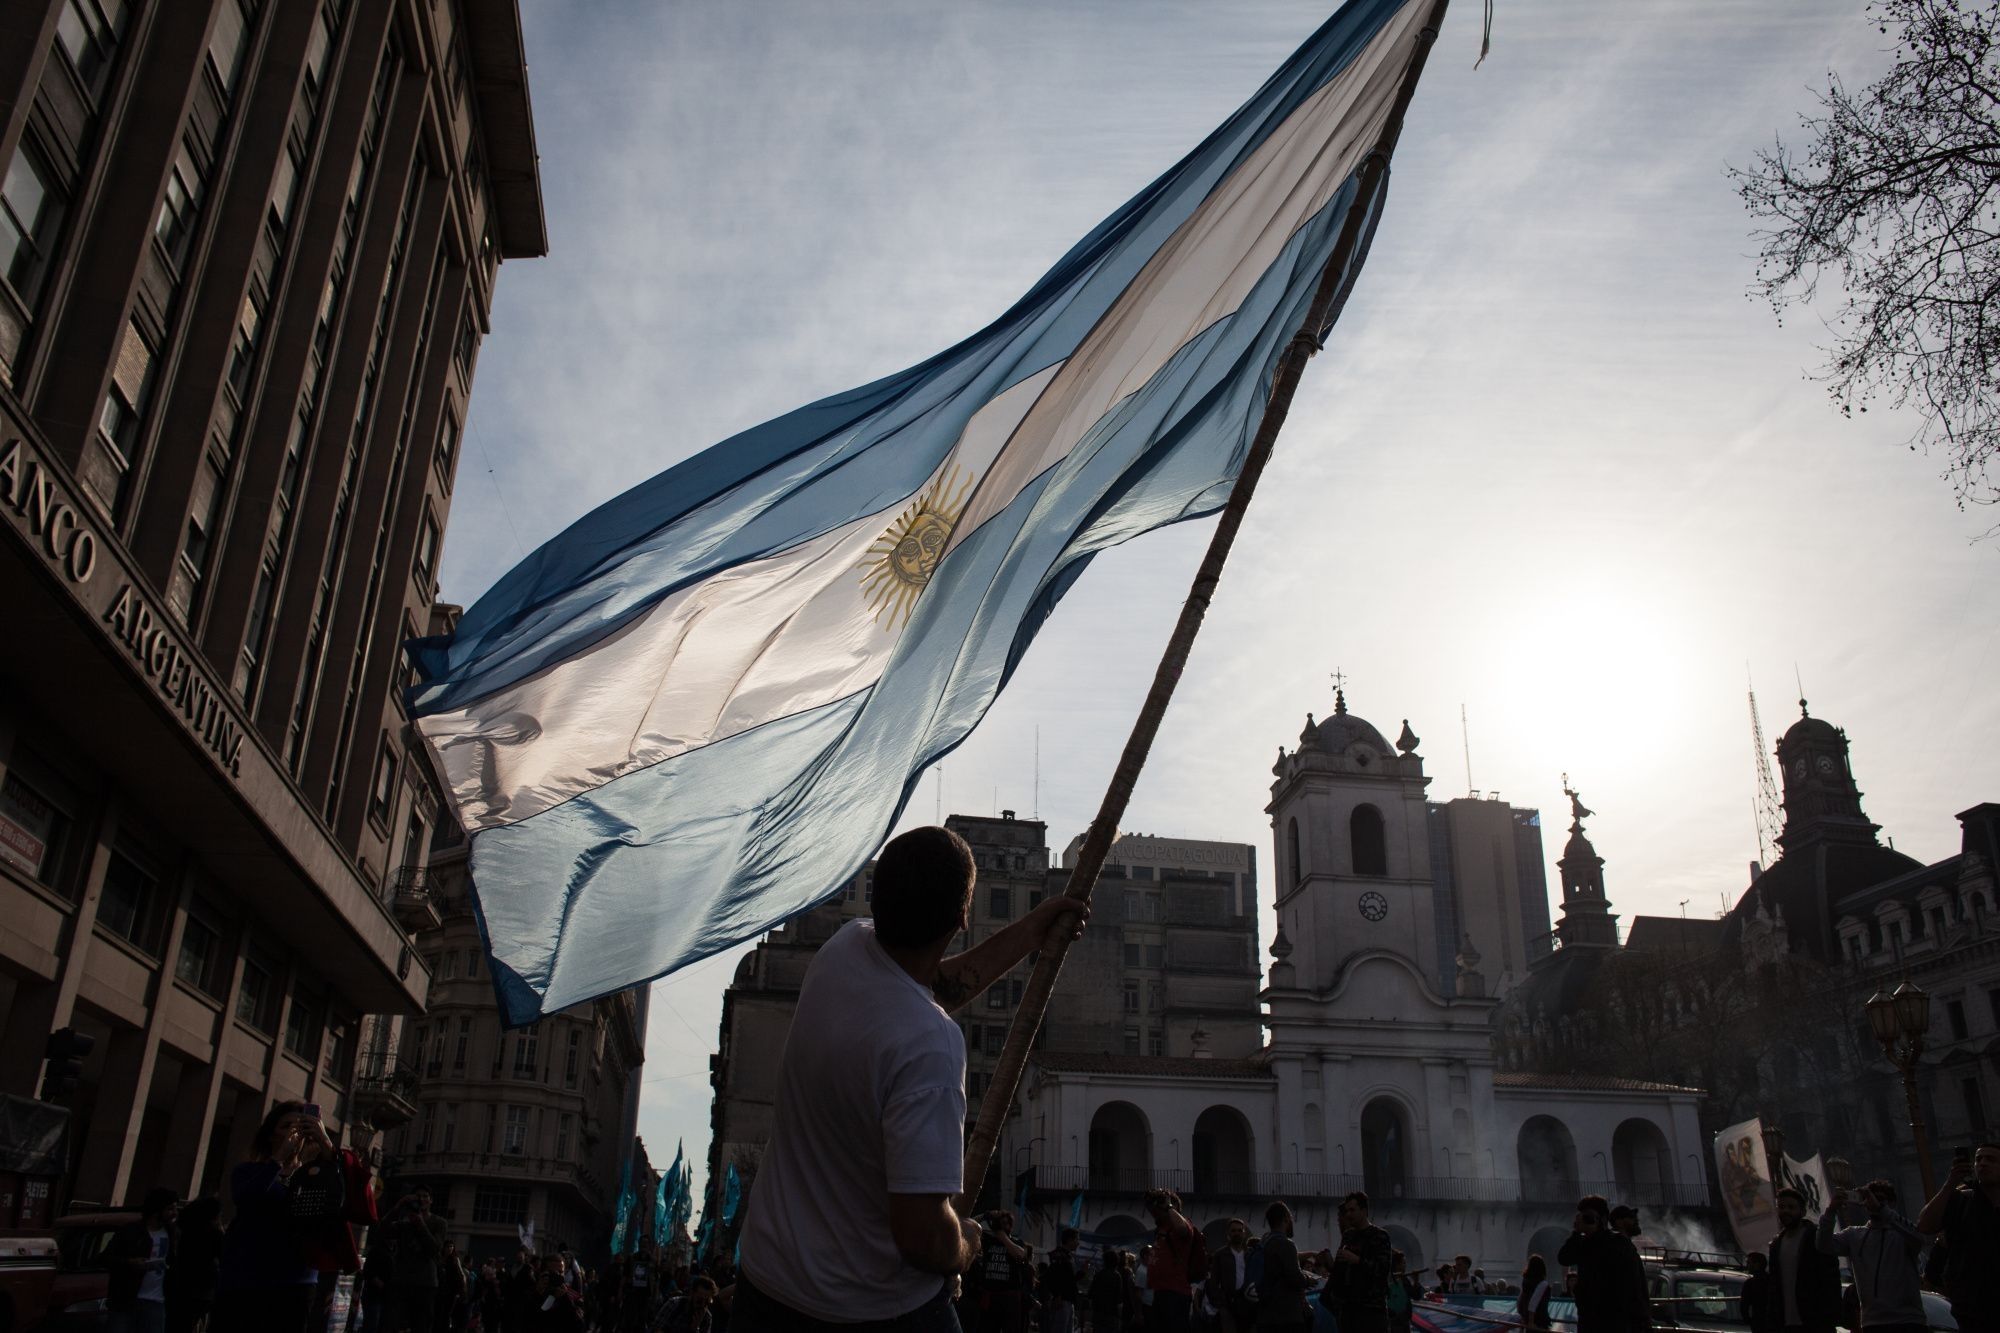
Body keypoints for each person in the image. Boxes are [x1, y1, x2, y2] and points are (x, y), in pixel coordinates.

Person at [734, 826, 1086, 1329]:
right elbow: (922, 1238)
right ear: (963, 918)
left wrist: (1032, 931)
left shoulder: (843, 952)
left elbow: (930, 985)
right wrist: (966, 1241)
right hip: (868, 1308)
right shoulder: (931, 1046)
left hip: (766, 1284)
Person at [213, 1100, 337, 1333]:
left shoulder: (314, 1175)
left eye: (301, 1126)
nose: (295, 1132)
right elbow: (247, 1198)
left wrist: (326, 1143)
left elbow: (342, 1195)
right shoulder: (248, 1171)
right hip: (247, 1280)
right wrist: (278, 1159)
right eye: (287, 1126)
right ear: (270, 1134)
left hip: (296, 1282)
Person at [1817, 1180, 1925, 1333]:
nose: (1874, 1203)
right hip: (1872, 1322)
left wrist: (1882, 1210)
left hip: (1909, 1319)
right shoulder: (1854, 1234)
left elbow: (1920, 1236)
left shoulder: (1902, 1234)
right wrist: (1831, 1210)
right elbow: (1823, 1244)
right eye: (1870, 1198)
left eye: (1880, 1199)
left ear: (1892, 1203)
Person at [1918, 1144, 2000, 1333]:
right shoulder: (1961, 1199)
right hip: (1972, 1306)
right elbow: (1925, 1225)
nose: (1983, 1164)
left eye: (1991, 1159)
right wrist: (1951, 1182)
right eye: (1979, 1159)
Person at [1557, 1195, 1649, 1333]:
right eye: (1584, 1217)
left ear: (1603, 1219)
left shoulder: (1619, 1244)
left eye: (1591, 1217)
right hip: (1590, 1321)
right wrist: (1576, 1232)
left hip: (1615, 1321)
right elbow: (1563, 1258)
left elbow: (1636, 1286)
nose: (1588, 1220)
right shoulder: (1584, 1244)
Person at [1764, 1186, 1838, 1333]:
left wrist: (1830, 1316)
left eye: (1791, 1207)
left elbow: (1830, 1278)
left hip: (1815, 1321)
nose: (1786, 1211)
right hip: (1785, 1323)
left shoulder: (1816, 1238)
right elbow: (1774, 1285)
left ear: (1802, 1212)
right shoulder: (1776, 1245)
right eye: (1782, 1207)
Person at [108, 1187, 178, 1333]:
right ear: (157, 1210)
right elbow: (107, 1258)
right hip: (126, 1300)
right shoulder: (130, 1231)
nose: (174, 1213)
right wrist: (130, 1263)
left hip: (157, 1301)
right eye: (170, 1209)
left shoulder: (173, 1234)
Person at [1324, 1192, 1392, 1333]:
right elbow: (1340, 1271)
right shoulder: (1348, 1236)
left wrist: (1357, 1260)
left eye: (1352, 1210)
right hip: (1348, 1310)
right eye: (1347, 1211)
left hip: (1371, 1311)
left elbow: (1382, 1270)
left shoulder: (1380, 1236)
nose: (1348, 1214)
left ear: (1364, 1210)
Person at [386, 1188, 447, 1333]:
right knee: (395, 1324)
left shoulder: (439, 1222)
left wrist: (420, 1224)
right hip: (402, 1279)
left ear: (431, 1200)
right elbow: (383, 1231)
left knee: (421, 1325)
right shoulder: (403, 1221)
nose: (421, 1200)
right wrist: (397, 1207)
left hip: (425, 1283)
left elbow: (434, 1248)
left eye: (425, 1196)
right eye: (417, 1196)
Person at [167, 1195, 223, 1333]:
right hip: (202, 1291)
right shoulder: (213, 1233)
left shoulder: (182, 1230)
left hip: (179, 1287)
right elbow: (224, 1256)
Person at [1256, 1203, 1309, 1333]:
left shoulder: (1263, 1243)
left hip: (1265, 1314)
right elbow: (1295, 1277)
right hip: (1287, 1315)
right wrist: (1308, 1280)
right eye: (1290, 1218)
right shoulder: (1286, 1244)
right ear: (1286, 1218)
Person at [1208, 1220, 1253, 1333]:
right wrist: (1220, 1303)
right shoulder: (1220, 1254)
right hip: (1228, 1303)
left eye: (1239, 1230)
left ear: (1244, 1233)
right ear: (1228, 1233)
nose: (1236, 1233)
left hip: (1249, 1303)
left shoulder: (1251, 1254)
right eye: (1233, 1231)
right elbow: (1213, 1281)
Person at [1045, 1228, 1082, 1333]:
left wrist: (1082, 1272)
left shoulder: (1068, 1256)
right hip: (1062, 1301)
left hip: (1068, 1301)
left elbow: (1070, 1279)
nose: (1078, 1243)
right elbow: (1053, 1277)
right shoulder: (1059, 1255)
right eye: (1076, 1240)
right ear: (1070, 1240)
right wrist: (1057, 1295)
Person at [1385, 1251, 1421, 1333]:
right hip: (1395, 1321)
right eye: (1403, 1263)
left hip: (1404, 1320)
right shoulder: (1390, 1279)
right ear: (1397, 1265)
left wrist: (1416, 1280)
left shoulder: (1404, 1280)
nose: (1405, 1265)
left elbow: (1416, 1296)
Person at [1516, 1255, 1553, 1331]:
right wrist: (1531, 1322)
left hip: (1527, 1318)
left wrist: (1523, 1317)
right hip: (1538, 1320)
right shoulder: (1543, 1284)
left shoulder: (1526, 1282)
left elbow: (1521, 1299)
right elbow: (1533, 1303)